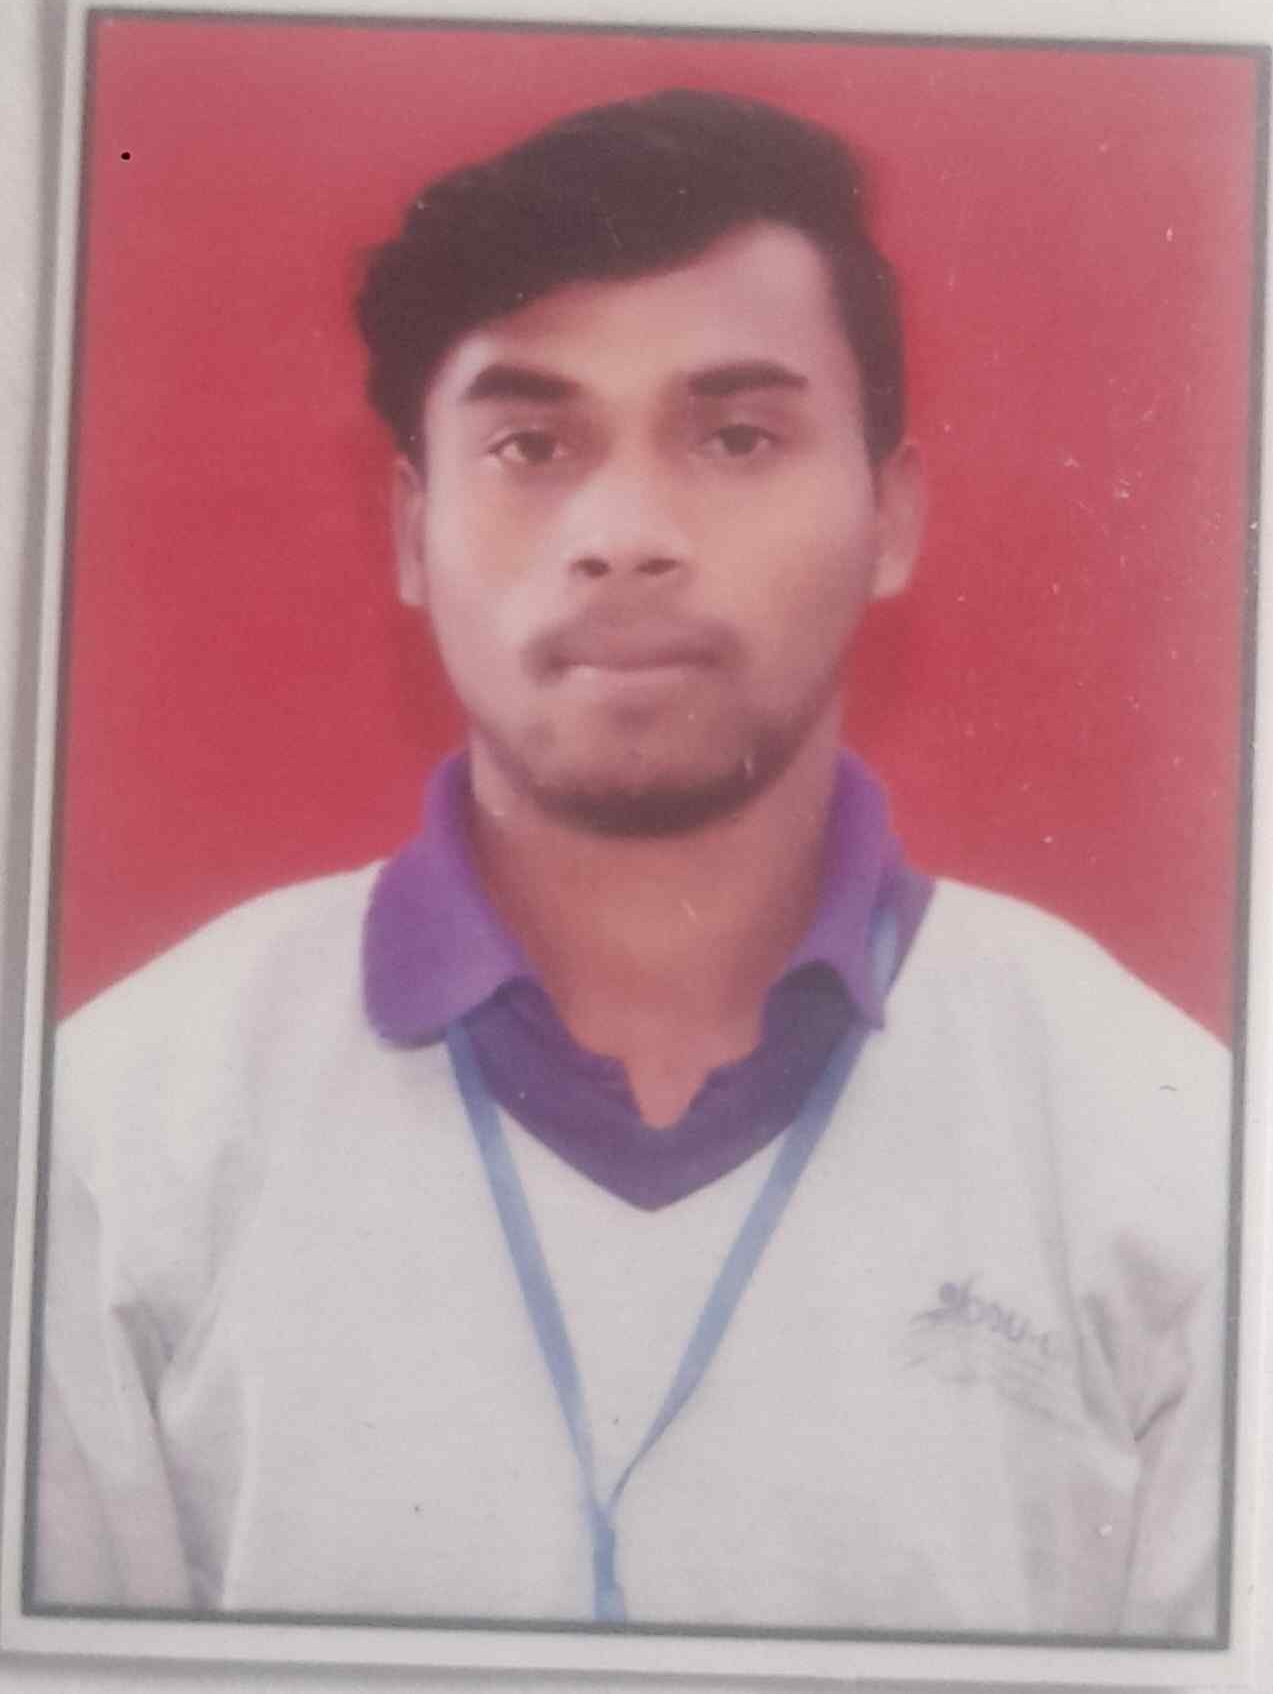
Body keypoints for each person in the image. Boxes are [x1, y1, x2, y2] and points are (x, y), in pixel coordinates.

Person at [33, 89, 1230, 1639]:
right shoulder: (119, 1143)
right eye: (530, 444)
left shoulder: (1169, 1156)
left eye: (735, 437)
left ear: (888, 516)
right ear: (410, 530)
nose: (623, 533)